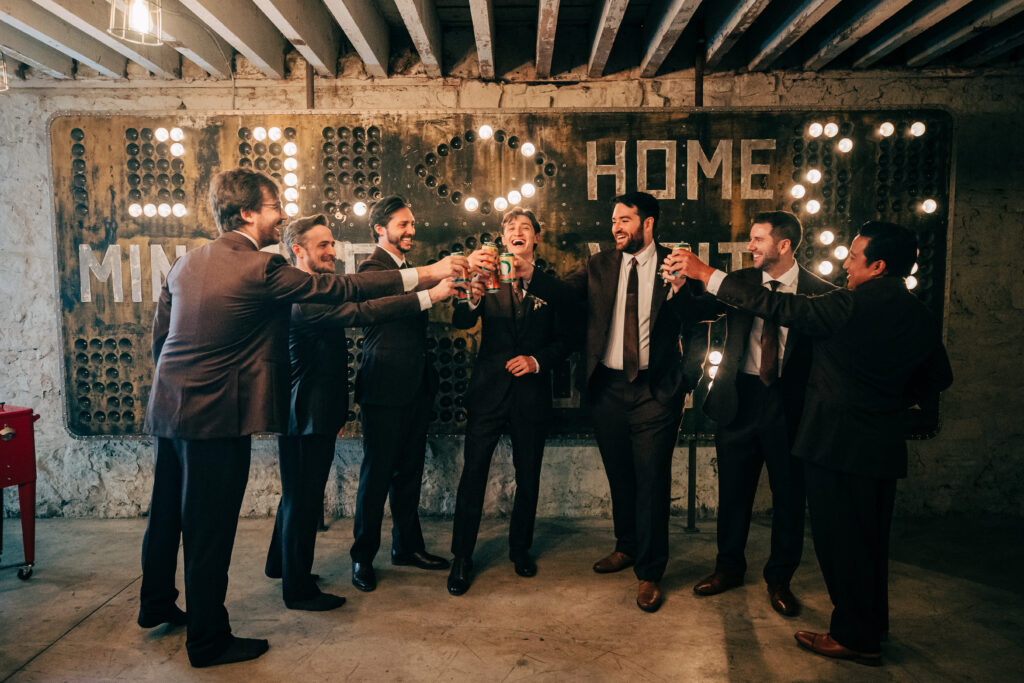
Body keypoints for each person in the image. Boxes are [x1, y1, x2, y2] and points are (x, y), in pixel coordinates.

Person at [139, 170, 465, 667]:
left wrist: (178, 386)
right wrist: (430, 273)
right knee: (209, 530)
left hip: (169, 407)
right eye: (274, 207)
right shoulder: (260, 268)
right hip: (215, 416)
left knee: (166, 515)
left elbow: (161, 340)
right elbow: (344, 289)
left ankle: (156, 602)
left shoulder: (186, 263)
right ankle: (207, 641)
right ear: (247, 213)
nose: (282, 215)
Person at [668, 221, 953, 665]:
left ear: (877, 266)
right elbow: (940, 377)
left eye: (854, 257)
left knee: (840, 545)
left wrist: (708, 274)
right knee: (871, 543)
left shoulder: (846, 304)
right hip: (881, 446)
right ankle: (871, 624)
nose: (846, 262)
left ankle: (852, 638)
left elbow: (780, 308)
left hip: (834, 443)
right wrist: (885, 404)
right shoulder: (918, 312)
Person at [515, 191, 710, 613]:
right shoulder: (599, 264)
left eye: (625, 219)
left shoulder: (676, 264)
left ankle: (650, 572)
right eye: (614, 220)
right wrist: (529, 273)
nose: (616, 227)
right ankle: (626, 546)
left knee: (651, 479)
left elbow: (700, 321)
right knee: (620, 475)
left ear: (648, 223)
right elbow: (564, 294)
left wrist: (686, 380)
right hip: (607, 389)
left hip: (656, 391)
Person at [264, 215, 457, 611]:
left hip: (315, 412)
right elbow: (362, 312)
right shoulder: (304, 299)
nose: (333, 251)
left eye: (333, 244)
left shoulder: (314, 290)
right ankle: (297, 589)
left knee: (297, 495)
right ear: (298, 251)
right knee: (303, 500)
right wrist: (431, 294)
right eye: (323, 246)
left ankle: (279, 566)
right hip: (306, 413)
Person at [692, 211, 834, 617]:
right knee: (733, 493)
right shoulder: (738, 282)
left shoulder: (819, 291)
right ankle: (728, 569)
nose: (750, 246)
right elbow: (698, 307)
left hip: (791, 406)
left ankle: (780, 580)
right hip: (740, 398)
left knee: (790, 498)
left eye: (758, 239)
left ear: (784, 245)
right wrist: (685, 285)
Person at [446, 208, 572, 595]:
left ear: (536, 237)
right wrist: (471, 299)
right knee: (473, 477)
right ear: (502, 238)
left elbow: (567, 341)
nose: (517, 232)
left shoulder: (552, 288)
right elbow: (462, 321)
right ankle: (462, 557)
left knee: (528, 476)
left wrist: (536, 361)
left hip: (531, 397)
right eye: (510, 228)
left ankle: (520, 549)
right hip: (488, 394)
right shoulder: (483, 277)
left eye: (525, 228)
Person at [350, 196, 457, 591]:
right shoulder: (371, 269)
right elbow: (392, 308)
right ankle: (362, 558)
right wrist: (437, 290)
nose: (411, 230)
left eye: (412, 224)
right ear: (379, 228)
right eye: (402, 224)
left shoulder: (410, 268)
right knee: (376, 476)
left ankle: (406, 547)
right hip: (384, 388)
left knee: (409, 473)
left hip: (415, 388)